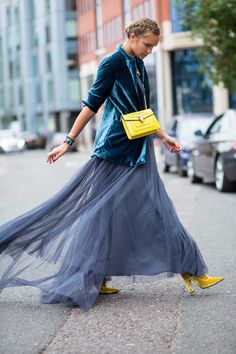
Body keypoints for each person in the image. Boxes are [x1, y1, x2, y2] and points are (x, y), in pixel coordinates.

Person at [0, 19, 223, 310]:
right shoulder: (112, 62)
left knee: (122, 212)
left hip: (138, 148)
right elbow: (91, 104)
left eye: (154, 47)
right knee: (112, 211)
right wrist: (67, 141)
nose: (150, 51)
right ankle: (192, 270)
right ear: (132, 36)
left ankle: (108, 276)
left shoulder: (138, 63)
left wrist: (165, 137)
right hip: (115, 150)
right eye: (147, 45)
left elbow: (142, 111)